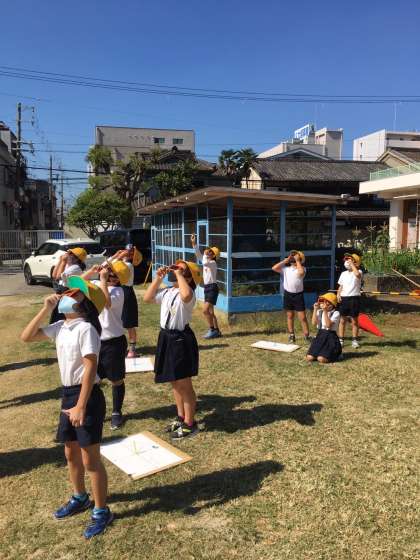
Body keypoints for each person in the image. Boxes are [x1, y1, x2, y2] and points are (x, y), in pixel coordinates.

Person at [20, 277, 113, 539]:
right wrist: (45, 309)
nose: (65, 294)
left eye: (73, 292)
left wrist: (81, 405)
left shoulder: (86, 329)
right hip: (68, 394)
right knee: (70, 453)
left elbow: (90, 367)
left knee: (90, 458)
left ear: (85, 302)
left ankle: (101, 511)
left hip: (86, 396)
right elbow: (26, 337)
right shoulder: (61, 326)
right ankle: (80, 496)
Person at [144, 259, 202, 439]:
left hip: (180, 339)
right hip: (166, 337)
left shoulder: (189, 293)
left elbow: (186, 296)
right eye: (175, 268)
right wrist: (158, 278)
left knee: (184, 384)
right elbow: (147, 298)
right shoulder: (168, 291)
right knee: (174, 381)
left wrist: (179, 274)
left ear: (188, 277)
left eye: (181, 270)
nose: (174, 270)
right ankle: (181, 417)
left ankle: (190, 424)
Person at [82, 259, 130, 430]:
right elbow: (78, 284)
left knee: (116, 379)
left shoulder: (118, 291)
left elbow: (106, 303)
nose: (107, 273)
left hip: (113, 341)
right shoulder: (98, 284)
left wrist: (102, 280)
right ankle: (91, 409)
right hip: (95, 340)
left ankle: (116, 412)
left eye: (111, 272)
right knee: (92, 378)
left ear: (117, 278)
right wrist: (91, 272)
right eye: (108, 270)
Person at [109, 245, 142, 358]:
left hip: (126, 292)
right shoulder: (120, 263)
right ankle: (122, 347)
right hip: (120, 290)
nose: (126, 253)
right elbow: (107, 266)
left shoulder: (128, 265)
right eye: (126, 251)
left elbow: (112, 266)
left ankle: (132, 349)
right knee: (116, 319)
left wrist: (119, 257)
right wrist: (116, 255)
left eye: (130, 252)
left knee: (129, 322)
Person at [272, 250, 311, 344]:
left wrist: (297, 261)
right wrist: (285, 261)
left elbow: (301, 273)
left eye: (296, 258)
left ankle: (306, 335)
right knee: (290, 315)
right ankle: (291, 334)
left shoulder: (303, 268)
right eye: (292, 258)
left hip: (298, 295)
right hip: (288, 294)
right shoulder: (286, 269)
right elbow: (274, 268)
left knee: (302, 317)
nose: (293, 260)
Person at [191, 234, 221, 339]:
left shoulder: (212, 263)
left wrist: (204, 254)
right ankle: (217, 331)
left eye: (211, 252)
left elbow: (203, 261)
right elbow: (199, 256)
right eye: (209, 251)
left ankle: (212, 330)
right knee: (211, 312)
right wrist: (194, 244)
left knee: (205, 310)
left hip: (212, 287)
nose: (209, 252)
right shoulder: (207, 261)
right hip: (207, 287)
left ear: (214, 256)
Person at [50, 248, 87, 323]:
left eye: (70, 254)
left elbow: (58, 277)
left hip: (67, 292)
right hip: (61, 290)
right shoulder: (68, 265)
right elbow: (54, 275)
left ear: (76, 259)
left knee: (61, 316)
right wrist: (60, 260)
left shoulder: (76, 268)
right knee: (55, 315)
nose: (67, 255)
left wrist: (63, 261)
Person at [306, 292, 342, 364]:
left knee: (321, 359)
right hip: (320, 335)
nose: (323, 303)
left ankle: (337, 355)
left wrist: (325, 311)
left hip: (330, 337)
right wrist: (315, 309)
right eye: (322, 301)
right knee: (309, 357)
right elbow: (313, 323)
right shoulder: (319, 311)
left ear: (331, 304)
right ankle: (321, 353)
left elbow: (328, 325)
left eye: (326, 301)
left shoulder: (336, 313)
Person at [337, 253, 363, 348]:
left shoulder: (359, 271)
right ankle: (341, 339)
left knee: (354, 320)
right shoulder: (343, 273)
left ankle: (354, 340)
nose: (347, 262)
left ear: (356, 262)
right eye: (346, 260)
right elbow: (341, 286)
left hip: (354, 298)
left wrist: (352, 264)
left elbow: (357, 275)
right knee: (342, 320)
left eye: (350, 260)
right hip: (344, 298)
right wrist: (338, 294)